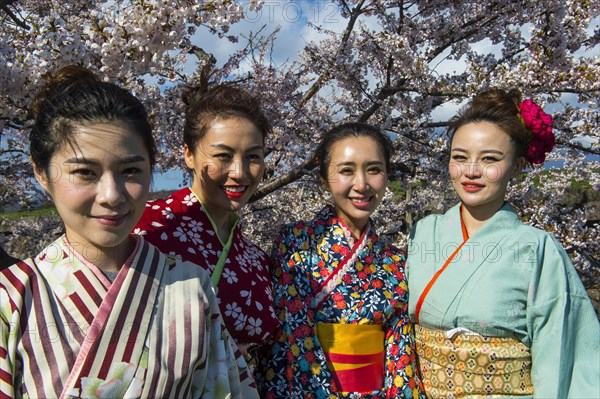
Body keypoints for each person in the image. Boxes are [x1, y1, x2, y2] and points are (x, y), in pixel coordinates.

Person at [0, 65, 258, 398]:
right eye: (85, 172)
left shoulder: (190, 286)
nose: (112, 195)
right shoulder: (12, 297)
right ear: (42, 173)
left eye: (131, 171)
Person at [406, 88, 600, 398]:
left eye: (490, 159)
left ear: (518, 166)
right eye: (460, 157)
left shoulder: (538, 248)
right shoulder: (423, 233)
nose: (471, 171)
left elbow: (561, 354)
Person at [257, 123, 425, 398]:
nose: (362, 184)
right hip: (304, 388)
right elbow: (292, 332)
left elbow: (399, 350)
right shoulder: (294, 242)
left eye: (374, 169)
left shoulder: (396, 261)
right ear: (324, 178)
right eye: (346, 170)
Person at [134, 84, 278, 354]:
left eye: (253, 157)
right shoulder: (148, 226)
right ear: (188, 154)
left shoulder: (256, 259)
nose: (239, 172)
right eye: (223, 156)